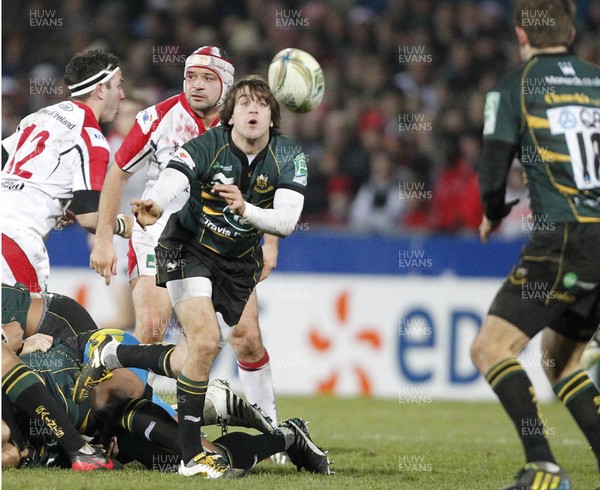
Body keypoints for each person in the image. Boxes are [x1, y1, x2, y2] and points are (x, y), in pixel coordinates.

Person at [89, 47, 281, 429]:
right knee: (150, 328)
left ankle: (272, 429)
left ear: (226, 86)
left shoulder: (245, 123)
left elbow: (267, 183)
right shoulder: (157, 118)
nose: (196, 84)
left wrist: (270, 244)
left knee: (246, 337)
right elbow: (118, 171)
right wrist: (104, 239)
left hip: (224, 240)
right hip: (159, 236)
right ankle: (140, 429)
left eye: (208, 78)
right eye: (191, 76)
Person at [131, 75, 307, 478]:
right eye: (244, 103)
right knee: (206, 340)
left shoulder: (289, 156)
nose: (252, 110)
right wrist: (155, 203)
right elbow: (175, 174)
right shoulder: (209, 144)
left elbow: (286, 220)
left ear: (271, 116)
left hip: (238, 262)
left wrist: (246, 210)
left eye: (261, 104)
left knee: (224, 344)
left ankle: (115, 355)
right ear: (230, 116)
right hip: (188, 247)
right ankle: (192, 458)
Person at [471, 0, 600, 487]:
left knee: (491, 348)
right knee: (559, 360)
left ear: (522, 34)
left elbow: (492, 170)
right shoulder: (597, 81)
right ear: (571, 32)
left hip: (565, 235)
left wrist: (494, 210)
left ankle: (544, 466)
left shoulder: (515, 87)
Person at [1, 49, 131, 293]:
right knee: (32, 328)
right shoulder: (91, 138)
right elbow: (90, 217)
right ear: (101, 89)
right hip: (16, 242)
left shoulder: (39, 116)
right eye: (118, 86)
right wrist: (125, 226)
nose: (122, 95)